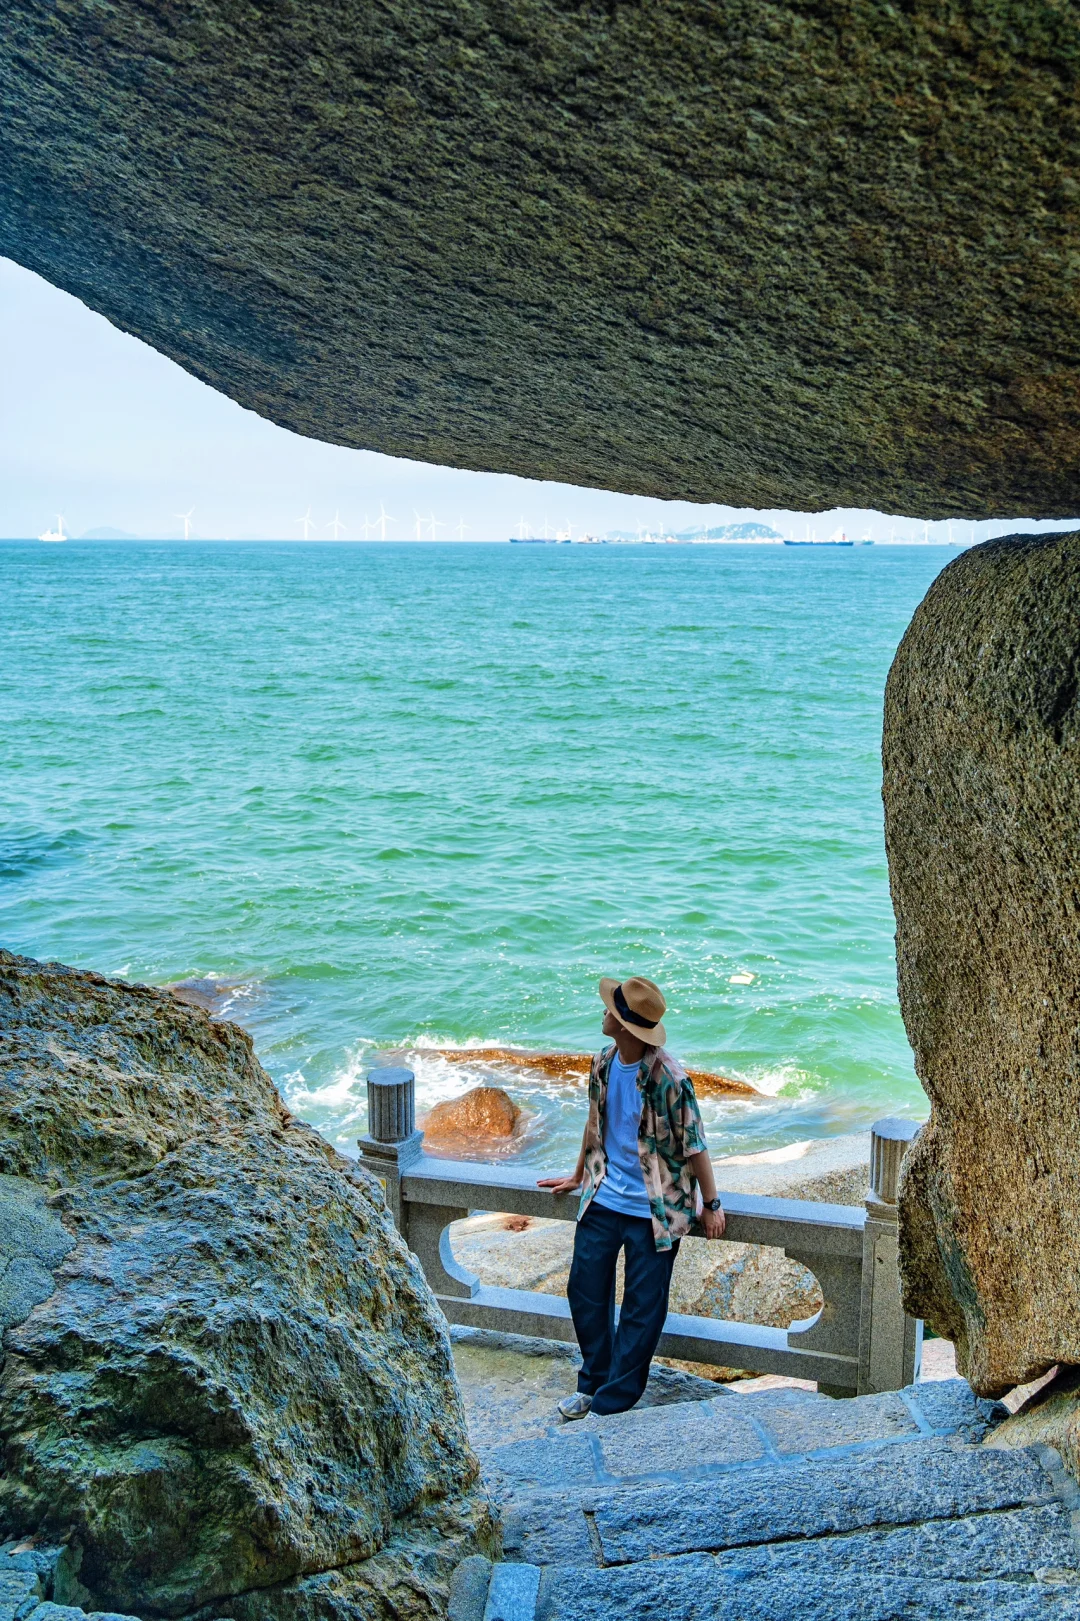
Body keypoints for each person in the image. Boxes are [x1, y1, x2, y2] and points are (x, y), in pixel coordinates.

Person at [537, 975, 726, 1420]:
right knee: (584, 1290)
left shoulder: (671, 1079)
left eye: (610, 1010)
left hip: (654, 1210)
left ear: (625, 1026)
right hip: (603, 1196)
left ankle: (612, 1403)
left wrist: (712, 1204)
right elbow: (594, 1123)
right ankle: (592, 1383)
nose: (604, 1013)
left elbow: (695, 1145)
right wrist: (578, 1174)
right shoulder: (602, 1063)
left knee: (643, 1310)